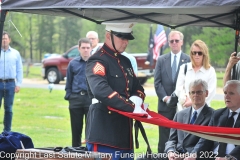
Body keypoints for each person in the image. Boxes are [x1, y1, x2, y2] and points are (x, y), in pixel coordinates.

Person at [85, 22, 145, 160]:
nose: (126, 42)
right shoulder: (97, 60)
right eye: (122, 38)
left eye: (127, 39)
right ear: (108, 35)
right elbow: (100, 90)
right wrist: (131, 106)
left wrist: (137, 98)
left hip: (124, 133)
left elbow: (138, 87)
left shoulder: (126, 61)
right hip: (104, 133)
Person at [154, 30, 190, 154]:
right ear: (168, 43)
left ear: (182, 42)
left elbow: (190, 82)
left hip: (183, 107)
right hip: (165, 107)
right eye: (171, 41)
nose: (174, 43)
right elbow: (157, 82)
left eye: (176, 41)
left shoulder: (189, 60)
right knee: (164, 139)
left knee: (181, 137)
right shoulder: (161, 60)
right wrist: (165, 98)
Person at [187, 80, 240, 160]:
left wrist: (229, 158)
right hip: (212, 156)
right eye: (225, 93)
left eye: (231, 93)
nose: (227, 96)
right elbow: (206, 138)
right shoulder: (217, 114)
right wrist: (194, 155)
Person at [165, 79, 214, 160]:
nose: (195, 95)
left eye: (199, 92)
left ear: (206, 93)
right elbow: (171, 140)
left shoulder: (213, 115)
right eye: (193, 92)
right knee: (143, 158)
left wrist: (185, 157)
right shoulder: (179, 114)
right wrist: (170, 152)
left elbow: (205, 143)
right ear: (189, 95)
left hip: (195, 157)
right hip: (175, 155)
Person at [64, 38, 92, 147]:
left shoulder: (96, 63)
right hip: (75, 99)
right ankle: (75, 153)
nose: (85, 50)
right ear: (79, 49)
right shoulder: (73, 63)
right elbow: (69, 82)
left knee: (90, 130)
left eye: (88, 48)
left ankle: (90, 154)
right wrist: (69, 96)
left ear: (91, 48)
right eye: (83, 48)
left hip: (90, 99)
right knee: (76, 130)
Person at [175, 40, 217, 111]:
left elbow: (210, 92)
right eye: (194, 53)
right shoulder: (184, 68)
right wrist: (185, 100)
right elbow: (179, 88)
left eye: (200, 53)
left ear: (204, 54)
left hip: (203, 112)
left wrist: (192, 102)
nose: (197, 55)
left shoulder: (210, 71)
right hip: (184, 109)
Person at [0, 31, 23, 132]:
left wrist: (18, 84)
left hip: (10, 84)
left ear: (9, 40)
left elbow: (19, 69)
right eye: (2, 39)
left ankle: (7, 131)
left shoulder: (15, 53)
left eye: (5, 38)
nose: (4, 41)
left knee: (8, 109)